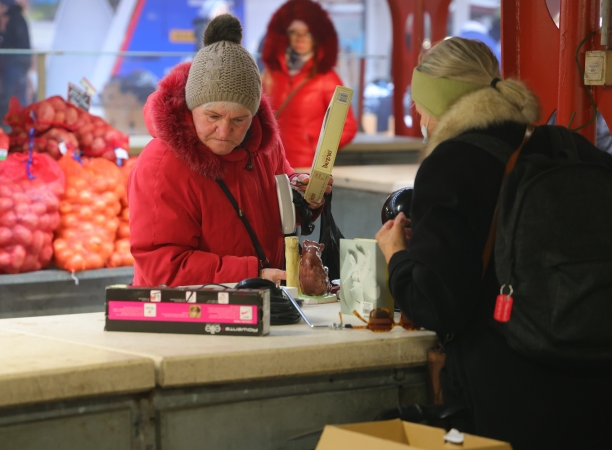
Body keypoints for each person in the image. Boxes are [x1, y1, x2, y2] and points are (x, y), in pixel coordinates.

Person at [375, 37, 612, 449]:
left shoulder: (450, 164)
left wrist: (397, 255)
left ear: (435, 104)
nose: (416, 115)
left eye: (418, 104)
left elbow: (437, 303)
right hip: (597, 391)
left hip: (509, 399)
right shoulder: (570, 147)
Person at [128, 14, 331, 287]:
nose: (224, 132)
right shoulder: (161, 164)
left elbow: (283, 210)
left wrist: (306, 197)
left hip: (260, 304)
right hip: (185, 316)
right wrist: (250, 275)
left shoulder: (265, 147)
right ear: (191, 107)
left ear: (254, 114)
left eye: (238, 120)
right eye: (212, 117)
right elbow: (164, 267)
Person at [261, 0, 357, 168]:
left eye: (308, 33)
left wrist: (319, 148)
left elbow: (347, 126)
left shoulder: (327, 78)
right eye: (295, 32)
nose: (301, 38)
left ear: (317, 37)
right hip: (270, 164)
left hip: (306, 167)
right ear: (285, 34)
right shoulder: (270, 75)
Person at [0, 0, 32, 107]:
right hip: (21, 62)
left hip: (15, 63)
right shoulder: (19, 18)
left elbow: (9, 42)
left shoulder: (13, 20)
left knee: (15, 96)